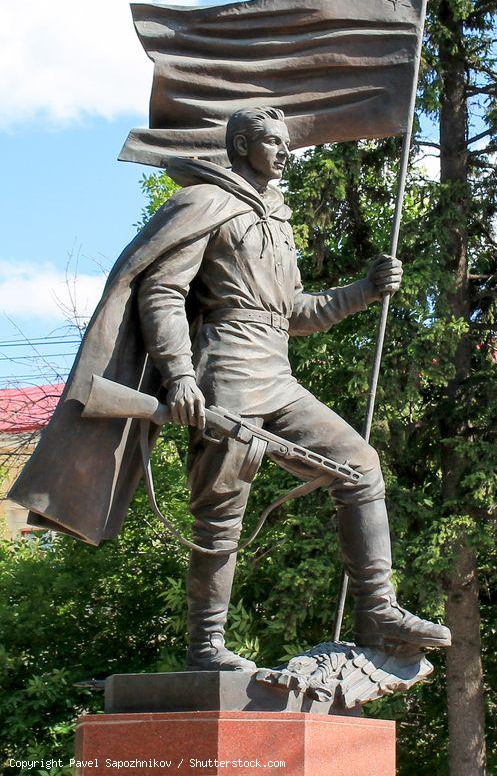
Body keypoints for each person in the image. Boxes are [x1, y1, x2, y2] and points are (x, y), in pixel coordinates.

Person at [10, 105, 450, 671]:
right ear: (242, 146)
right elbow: (162, 292)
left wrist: (364, 289)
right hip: (227, 374)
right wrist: (181, 376)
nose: (285, 151)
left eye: (286, 142)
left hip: (278, 376)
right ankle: (206, 647)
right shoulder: (208, 204)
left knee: (360, 464)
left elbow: (296, 311)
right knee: (221, 514)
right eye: (272, 141)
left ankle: (378, 609)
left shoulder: (278, 220)